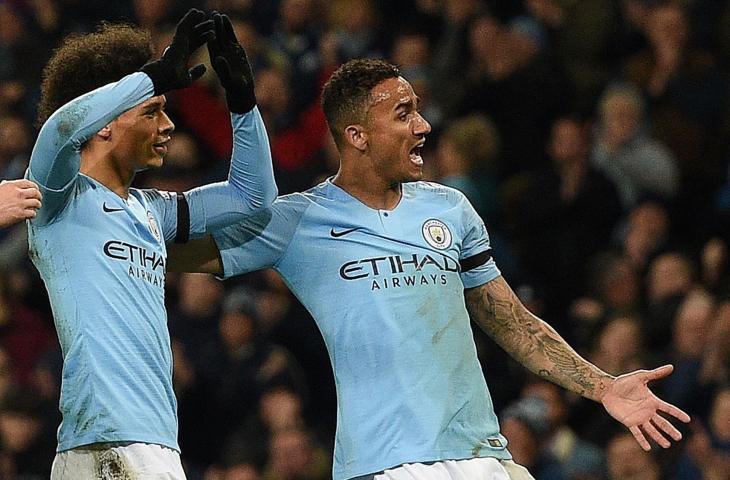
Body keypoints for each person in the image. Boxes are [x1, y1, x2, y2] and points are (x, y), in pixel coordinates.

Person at [170, 59, 690, 480]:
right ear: (356, 135)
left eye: (417, 110)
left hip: (481, 454)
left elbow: (511, 320)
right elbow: (169, 251)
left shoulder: (449, 208)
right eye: (402, 114)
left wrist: (602, 387)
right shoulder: (296, 221)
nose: (423, 126)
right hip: (382, 464)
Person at [26, 10, 276, 479]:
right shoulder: (58, 198)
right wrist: (153, 75)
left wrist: (242, 102)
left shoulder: (152, 210)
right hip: (104, 440)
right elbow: (60, 129)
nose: (168, 126)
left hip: (155, 441)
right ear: (103, 123)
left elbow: (253, 197)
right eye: (152, 110)